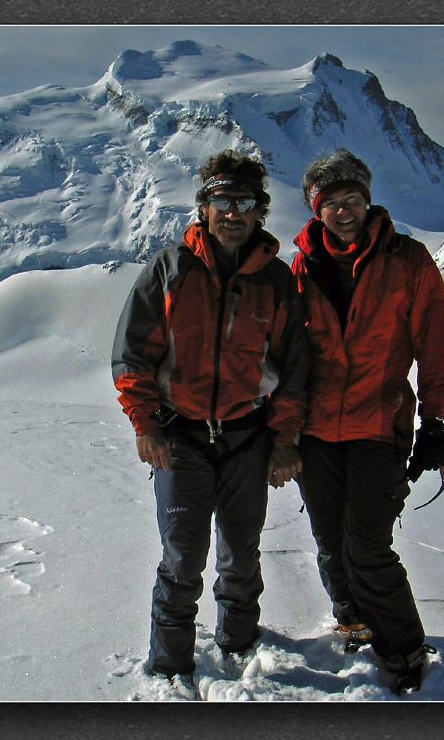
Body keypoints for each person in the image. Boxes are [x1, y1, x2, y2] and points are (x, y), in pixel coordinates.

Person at [112, 150, 308, 682]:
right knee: (181, 560)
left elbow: (293, 368)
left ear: (260, 211)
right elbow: (133, 354)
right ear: (204, 206)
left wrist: (285, 441)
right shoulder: (170, 270)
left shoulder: (276, 279)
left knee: (241, 555)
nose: (233, 212)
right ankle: (170, 668)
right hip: (180, 438)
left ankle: (240, 647)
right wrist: (145, 425)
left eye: (245, 202)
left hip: (248, 437)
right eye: (222, 201)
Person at [290, 148, 444, 693]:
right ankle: (352, 617)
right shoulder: (302, 265)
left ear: (368, 199)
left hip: (378, 427)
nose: (342, 211)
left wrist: (433, 419)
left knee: (366, 545)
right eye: (330, 203)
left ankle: (404, 647)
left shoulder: (406, 259)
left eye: (351, 199)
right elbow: (287, 351)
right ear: (316, 210)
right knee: (329, 540)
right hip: (316, 430)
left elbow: (434, 339)